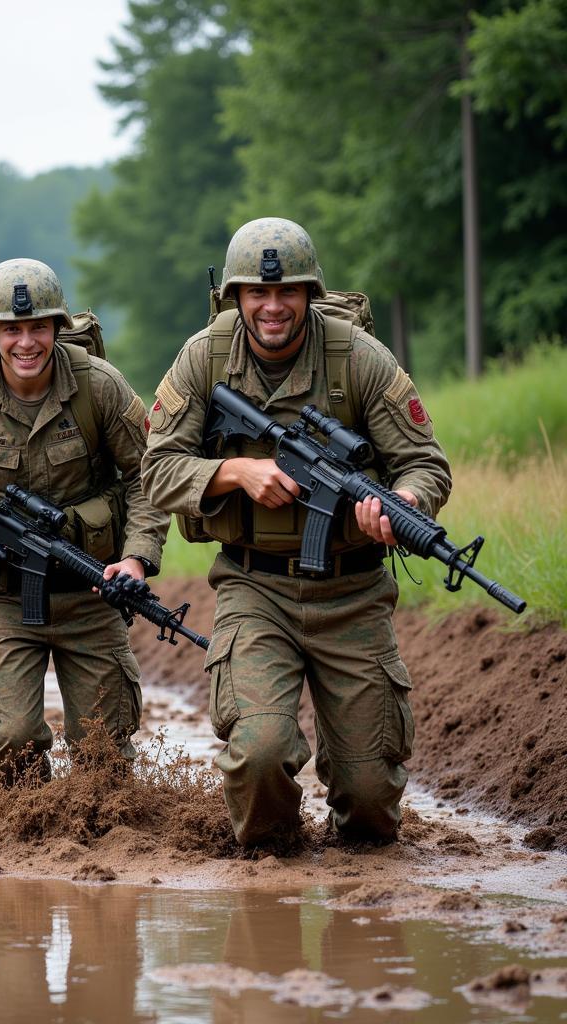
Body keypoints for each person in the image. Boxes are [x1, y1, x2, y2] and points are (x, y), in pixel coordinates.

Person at [141, 217, 452, 847]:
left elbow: (425, 462)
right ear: (236, 297)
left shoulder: (358, 357)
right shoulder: (203, 357)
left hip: (354, 591)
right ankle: (269, 876)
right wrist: (236, 472)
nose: (273, 306)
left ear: (310, 293)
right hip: (254, 590)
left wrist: (404, 501)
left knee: (370, 807)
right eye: (257, 292)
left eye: (288, 292)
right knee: (259, 753)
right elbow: (156, 470)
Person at [0, 258, 168, 786]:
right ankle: (18, 853)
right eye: (12, 329)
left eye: (38, 327)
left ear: (57, 328)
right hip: (2, 596)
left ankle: (110, 845)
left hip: (94, 590)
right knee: (15, 734)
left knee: (103, 748)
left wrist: (135, 557)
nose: (26, 342)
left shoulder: (99, 386)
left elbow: (148, 476)